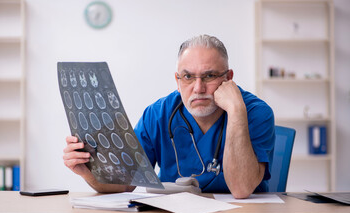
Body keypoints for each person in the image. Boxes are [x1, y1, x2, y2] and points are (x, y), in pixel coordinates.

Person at [63, 34, 275, 198]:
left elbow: (241, 189)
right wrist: (87, 172)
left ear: (229, 78)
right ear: (177, 79)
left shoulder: (255, 112)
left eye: (209, 75)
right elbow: (126, 183)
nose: (198, 88)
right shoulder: (158, 114)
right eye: (188, 77)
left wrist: (237, 112)